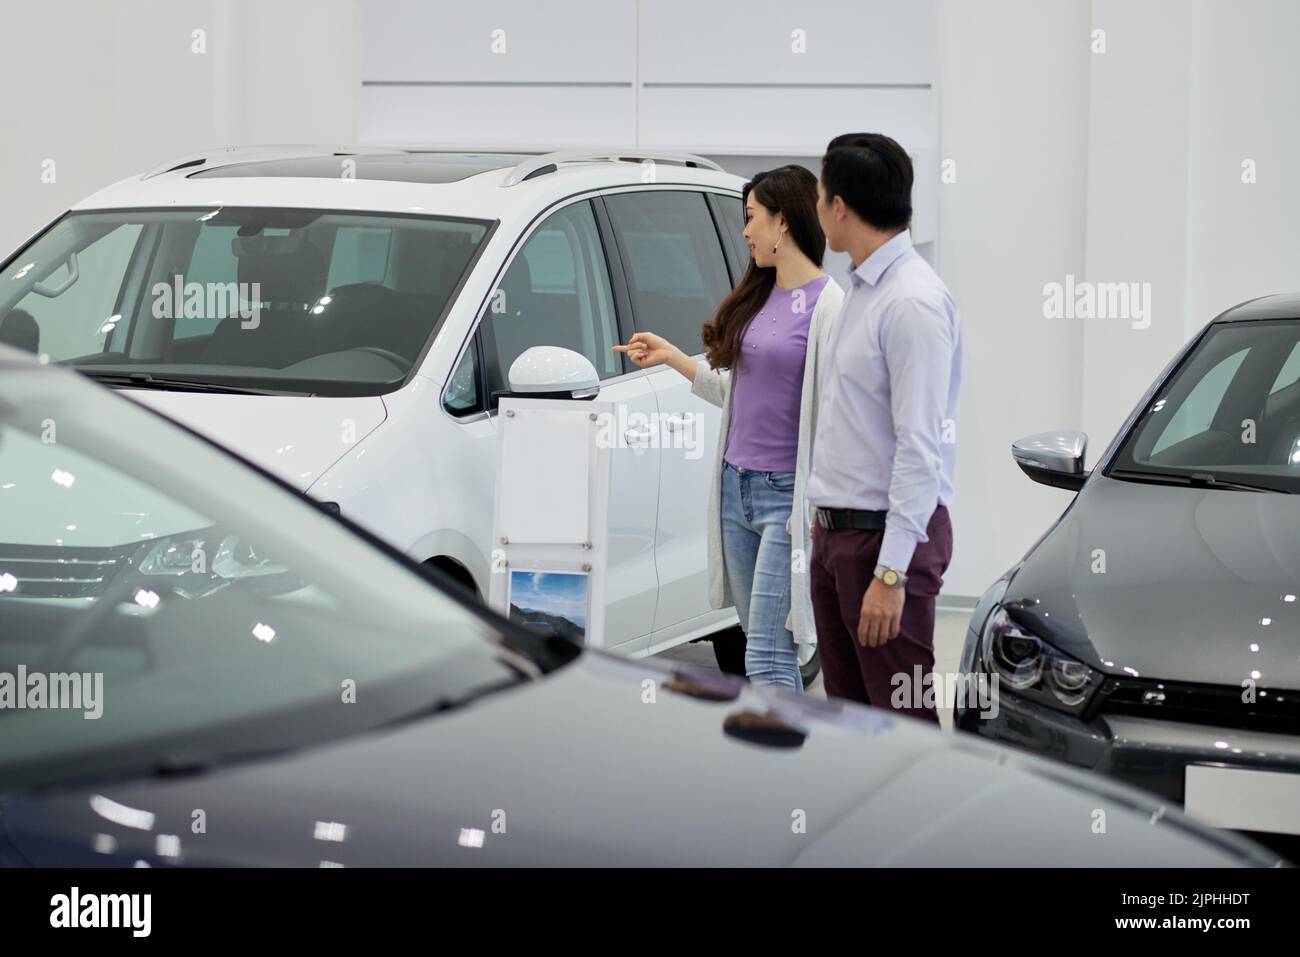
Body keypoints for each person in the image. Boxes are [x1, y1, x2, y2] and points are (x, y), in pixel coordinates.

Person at [614, 166, 844, 690]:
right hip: (735, 489)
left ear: (782, 221)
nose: (745, 232)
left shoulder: (830, 306)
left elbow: (836, 418)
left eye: (751, 218)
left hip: (786, 500)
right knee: (757, 642)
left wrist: (820, 507)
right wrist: (673, 356)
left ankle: (778, 764)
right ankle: (776, 755)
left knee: (765, 650)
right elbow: (734, 392)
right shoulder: (759, 296)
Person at [807, 132, 962, 723]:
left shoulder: (911, 303)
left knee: (903, 728)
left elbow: (920, 448)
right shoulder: (862, 291)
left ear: (839, 206)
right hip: (841, 538)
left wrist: (890, 573)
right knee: (848, 726)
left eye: (821, 196)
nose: (818, 209)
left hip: (884, 544)